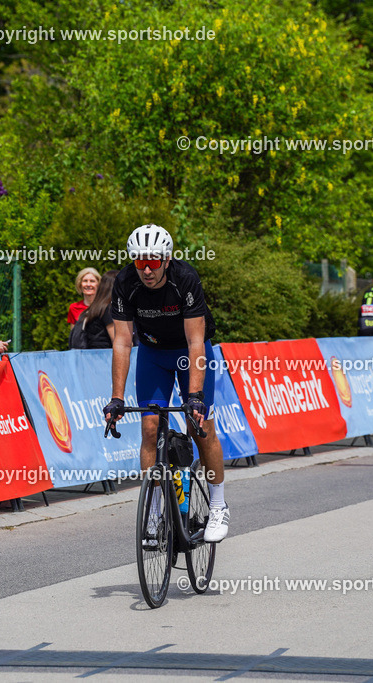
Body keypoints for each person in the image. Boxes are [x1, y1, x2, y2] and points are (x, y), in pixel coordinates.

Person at [103, 224, 229, 543]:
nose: (146, 269)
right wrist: (117, 398)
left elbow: (196, 340)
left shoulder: (184, 278)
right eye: (140, 261)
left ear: (167, 259)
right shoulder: (125, 282)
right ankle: (156, 512)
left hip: (190, 353)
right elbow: (121, 341)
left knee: (200, 426)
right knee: (149, 429)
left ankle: (218, 505)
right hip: (153, 355)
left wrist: (196, 395)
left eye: (153, 262)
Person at [70, 270, 118, 349]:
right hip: (101, 355)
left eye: (92, 281)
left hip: (89, 355)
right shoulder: (106, 309)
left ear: (99, 285)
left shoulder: (96, 308)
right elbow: (118, 342)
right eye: (85, 281)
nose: (88, 284)